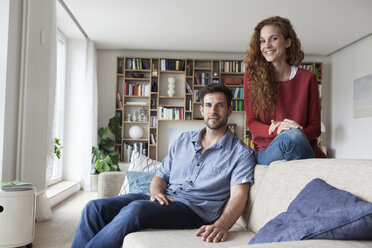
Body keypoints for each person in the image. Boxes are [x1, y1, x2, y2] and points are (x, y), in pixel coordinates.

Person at [71, 83, 256, 248]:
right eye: (208, 105)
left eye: (220, 105)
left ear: (230, 109)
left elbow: (239, 196)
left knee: (137, 209)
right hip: (165, 199)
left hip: (194, 211)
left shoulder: (241, 153)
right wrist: (156, 192)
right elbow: (161, 176)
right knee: (94, 208)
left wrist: (222, 225)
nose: (213, 110)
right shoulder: (183, 140)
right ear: (201, 109)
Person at [243, 16, 327, 166]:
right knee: (291, 137)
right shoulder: (252, 77)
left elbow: (315, 128)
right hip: (269, 150)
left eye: (273, 39)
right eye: (262, 41)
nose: (267, 45)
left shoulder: (308, 78)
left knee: (293, 137)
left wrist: (293, 131)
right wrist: (277, 130)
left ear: (288, 42)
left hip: (303, 144)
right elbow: (251, 123)